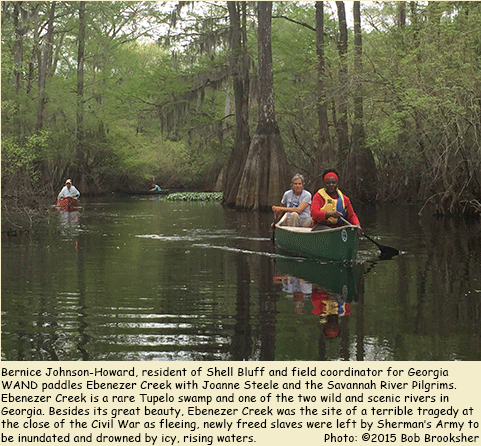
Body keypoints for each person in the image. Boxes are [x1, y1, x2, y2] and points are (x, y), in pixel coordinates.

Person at [310, 169, 362, 233]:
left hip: (339, 228)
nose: (331, 185)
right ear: (324, 184)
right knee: (328, 230)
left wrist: (357, 225)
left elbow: (351, 215)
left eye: (333, 183)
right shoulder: (318, 197)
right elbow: (314, 213)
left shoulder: (345, 199)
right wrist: (329, 214)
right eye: (328, 183)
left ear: (337, 183)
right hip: (321, 227)